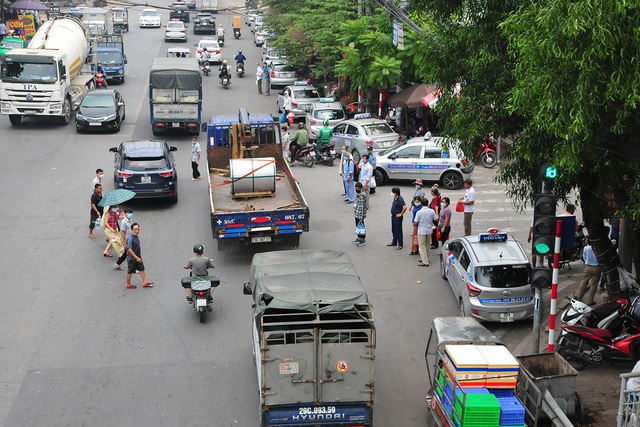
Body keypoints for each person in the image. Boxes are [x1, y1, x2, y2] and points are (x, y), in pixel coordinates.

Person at [125, 223, 153, 289]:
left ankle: (145, 282)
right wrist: (136, 257)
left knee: (141, 269)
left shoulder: (135, 236)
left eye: (138, 229)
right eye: (135, 229)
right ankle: (128, 284)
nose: (137, 231)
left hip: (138, 257)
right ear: (132, 230)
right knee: (130, 271)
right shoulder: (130, 238)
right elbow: (129, 249)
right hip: (132, 258)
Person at [574, 240, 601, 305]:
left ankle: (579, 296)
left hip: (588, 267)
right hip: (597, 267)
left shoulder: (586, 248)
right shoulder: (598, 248)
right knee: (594, 285)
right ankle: (590, 301)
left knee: (584, 282)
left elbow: (584, 257)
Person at [414, 199, 438, 267]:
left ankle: (425, 261)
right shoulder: (431, 211)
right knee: (427, 245)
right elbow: (436, 219)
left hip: (422, 230)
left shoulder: (419, 212)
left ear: (421, 204)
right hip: (429, 229)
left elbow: (416, 222)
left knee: (422, 246)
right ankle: (426, 258)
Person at [353, 182, 368, 247]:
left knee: (361, 227)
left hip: (360, 214)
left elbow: (362, 206)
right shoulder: (358, 194)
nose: (356, 190)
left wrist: (361, 216)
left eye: (358, 188)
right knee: (358, 226)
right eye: (356, 188)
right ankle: (359, 238)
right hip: (357, 213)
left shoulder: (362, 195)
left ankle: (363, 239)